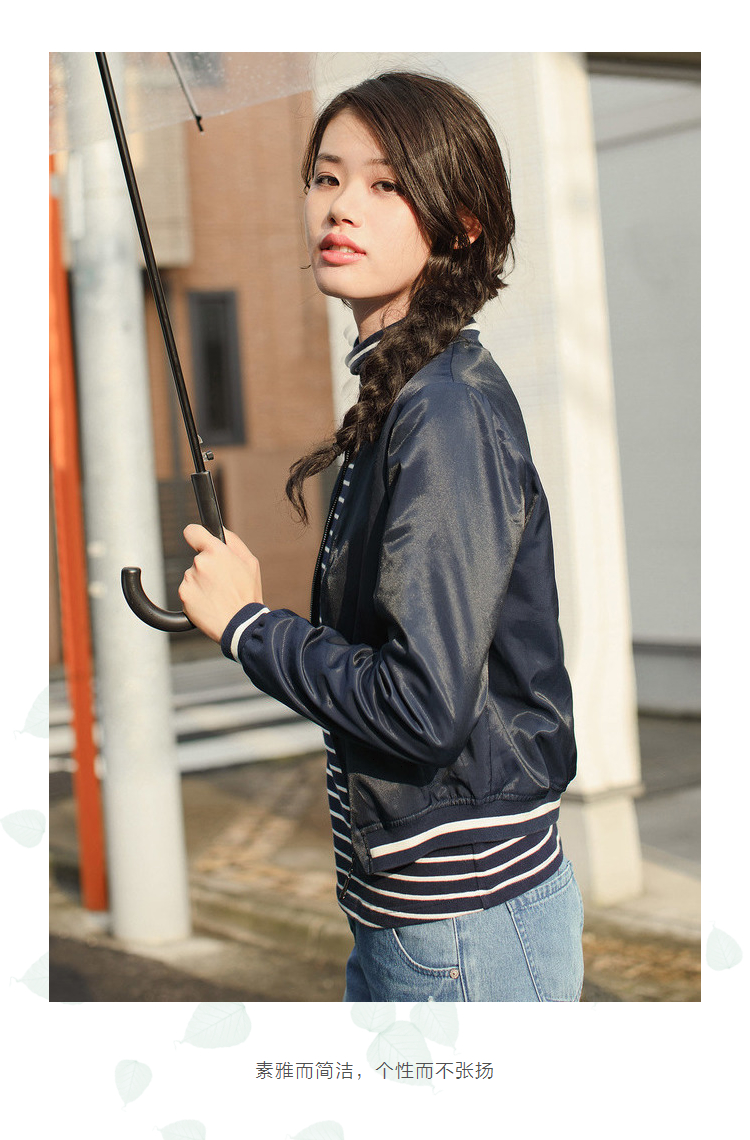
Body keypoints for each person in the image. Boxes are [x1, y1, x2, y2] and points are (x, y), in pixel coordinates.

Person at [178, 71, 585, 1002]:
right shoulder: (402, 396)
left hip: (468, 927)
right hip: (418, 916)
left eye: (385, 184)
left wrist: (250, 628)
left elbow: (419, 706)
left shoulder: (444, 412)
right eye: (326, 177)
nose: (340, 206)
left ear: (461, 223)